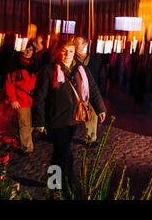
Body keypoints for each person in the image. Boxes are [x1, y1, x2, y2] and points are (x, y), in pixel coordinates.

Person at [32, 36, 106, 194]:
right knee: (65, 153)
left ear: (75, 52)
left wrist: (100, 108)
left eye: (71, 51)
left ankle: (55, 185)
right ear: (59, 51)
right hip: (56, 120)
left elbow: (92, 89)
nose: (67, 54)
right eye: (64, 51)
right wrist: (39, 122)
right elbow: (39, 97)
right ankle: (66, 186)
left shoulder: (80, 69)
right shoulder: (48, 70)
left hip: (73, 120)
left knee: (59, 154)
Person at [4, 41, 37, 155]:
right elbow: (9, 83)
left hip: (34, 100)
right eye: (26, 49)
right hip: (21, 100)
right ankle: (27, 148)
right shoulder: (14, 65)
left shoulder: (35, 65)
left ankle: (22, 136)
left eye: (31, 50)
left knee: (32, 124)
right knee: (25, 124)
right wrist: (13, 99)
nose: (28, 52)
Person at [74, 36, 107, 146]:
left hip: (92, 92)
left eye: (77, 43)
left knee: (92, 117)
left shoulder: (95, 59)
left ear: (85, 45)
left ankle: (91, 139)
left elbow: (102, 76)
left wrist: (100, 94)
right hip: (77, 94)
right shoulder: (72, 59)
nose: (75, 45)